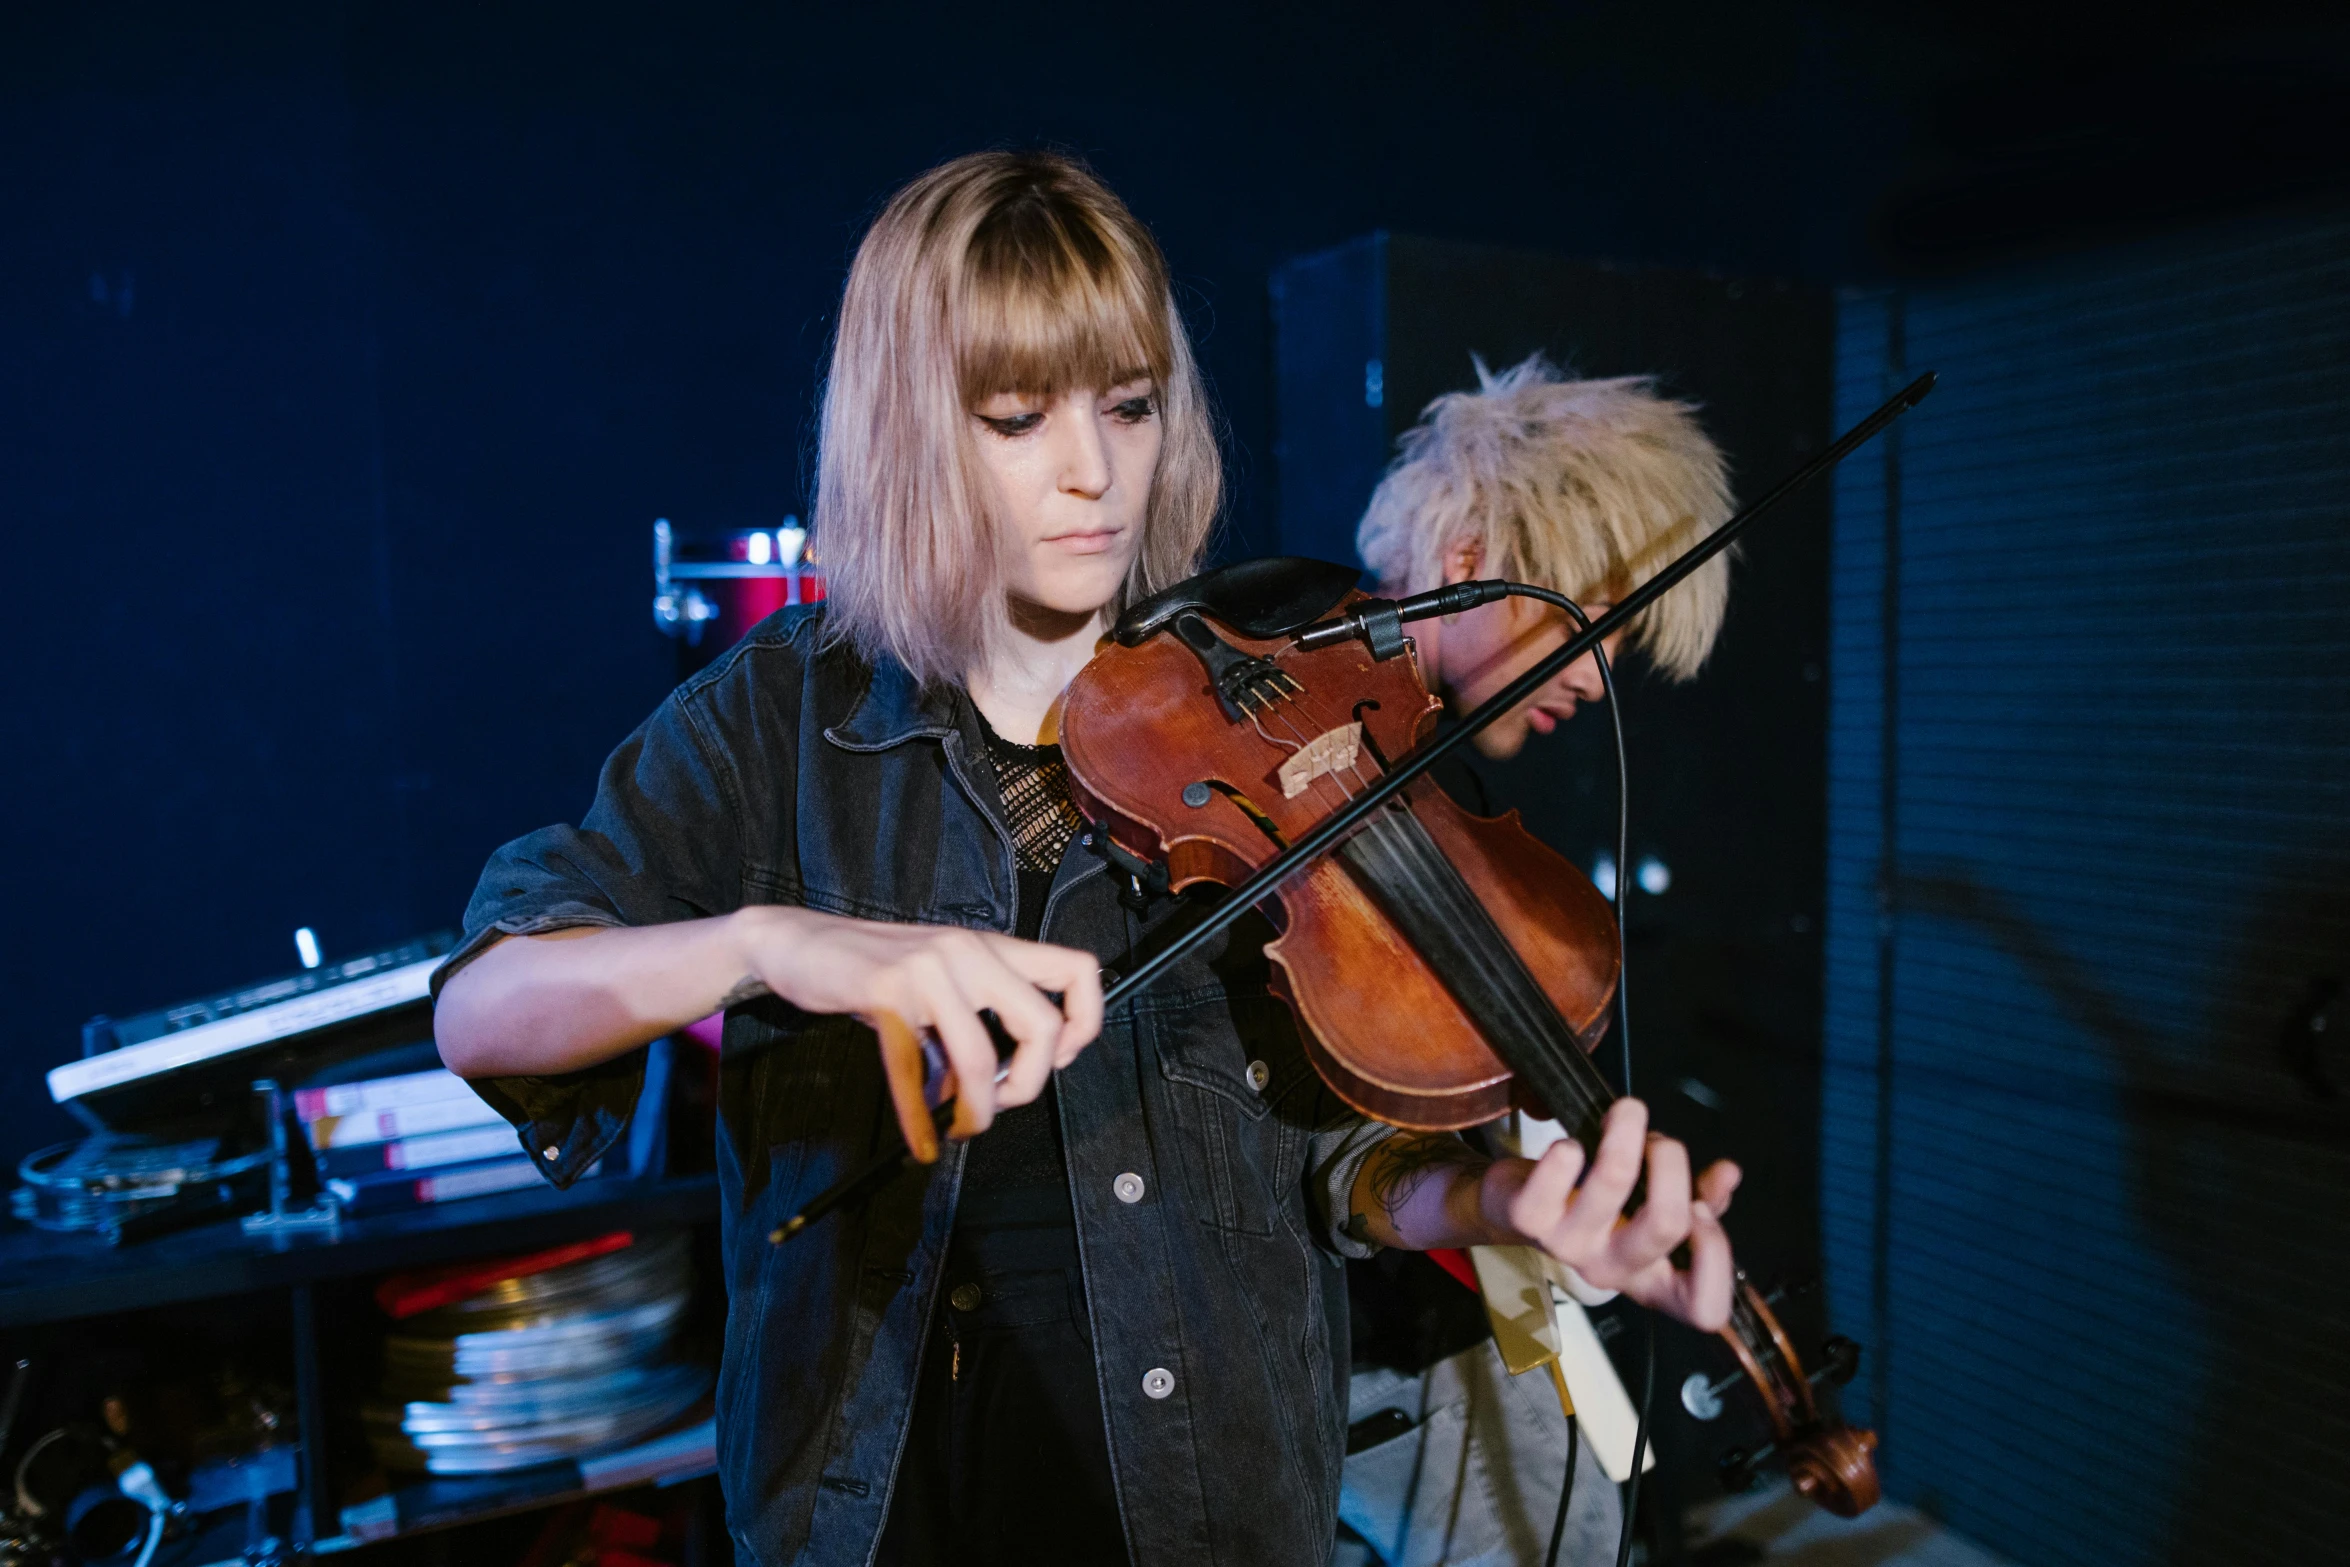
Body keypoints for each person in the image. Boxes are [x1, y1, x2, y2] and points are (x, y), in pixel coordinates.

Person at [431, 154, 1740, 1567]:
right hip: (890, 1498)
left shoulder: (1258, 708)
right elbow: (483, 1009)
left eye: (1129, 405)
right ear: (907, 430)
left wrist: (1492, 1202)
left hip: (1214, 1495)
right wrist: (767, 941)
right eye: (1016, 416)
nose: (1096, 471)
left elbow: (1345, 1165)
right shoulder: (777, 717)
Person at [1337, 356, 1738, 1567]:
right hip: (1353, 1347)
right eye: (1595, 623)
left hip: (1410, 1307)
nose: (1597, 675)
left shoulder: (1446, 804)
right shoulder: (1316, 765)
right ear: (1467, 554)